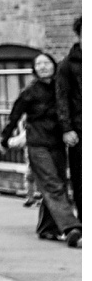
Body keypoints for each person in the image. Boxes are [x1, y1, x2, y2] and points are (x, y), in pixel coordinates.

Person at [4, 53, 82, 247]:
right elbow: (14, 115)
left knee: (58, 183)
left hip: (57, 143)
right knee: (52, 184)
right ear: (34, 69)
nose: (43, 67)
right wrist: (5, 138)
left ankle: (47, 228)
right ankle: (72, 228)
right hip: (38, 143)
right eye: (38, 64)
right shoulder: (30, 92)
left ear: (54, 66)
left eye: (46, 63)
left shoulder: (60, 88)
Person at [57, 18, 82, 216]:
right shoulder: (67, 65)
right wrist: (67, 128)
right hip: (80, 129)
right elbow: (62, 97)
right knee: (81, 178)